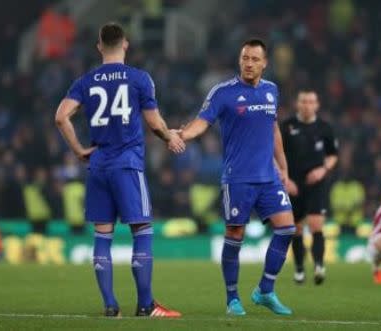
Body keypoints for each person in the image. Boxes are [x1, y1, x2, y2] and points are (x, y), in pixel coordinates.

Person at [55, 22, 183, 317]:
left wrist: (78, 151)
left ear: (99, 46)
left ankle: (111, 306)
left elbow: (61, 117)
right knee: (141, 229)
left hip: (98, 164)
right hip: (127, 164)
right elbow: (154, 122)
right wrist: (170, 137)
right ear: (125, 44)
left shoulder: (85, 81)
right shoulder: (139, 79)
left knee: (102, 235)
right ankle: (146, 305)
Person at [179, 39, 296, 316]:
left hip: (268, 176)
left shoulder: (271, 91)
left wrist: (284, 168)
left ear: (265, 63)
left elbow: (274, 130)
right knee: (235, 234)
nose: (249, 63)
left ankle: (265, 290)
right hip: (238, 178)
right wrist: (182, 134)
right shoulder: (223, 92)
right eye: (245, 58)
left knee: (287, 228)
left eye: (255, 59)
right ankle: (232, 299)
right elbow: (202, 122)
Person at [280, 90, 338, 285]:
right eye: (303, 101)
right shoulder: (286, 126)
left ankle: (319, 266)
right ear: (297, 104)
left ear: (317, 104)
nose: (307, 105)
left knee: (316, 224)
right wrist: (285, 179)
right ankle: (298, 268)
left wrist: (323, 170)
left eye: (311, 101)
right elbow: (274, 154)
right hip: (293, 184)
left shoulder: (325, 128)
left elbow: (332, 155)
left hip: (316, 184)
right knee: (295, 229)